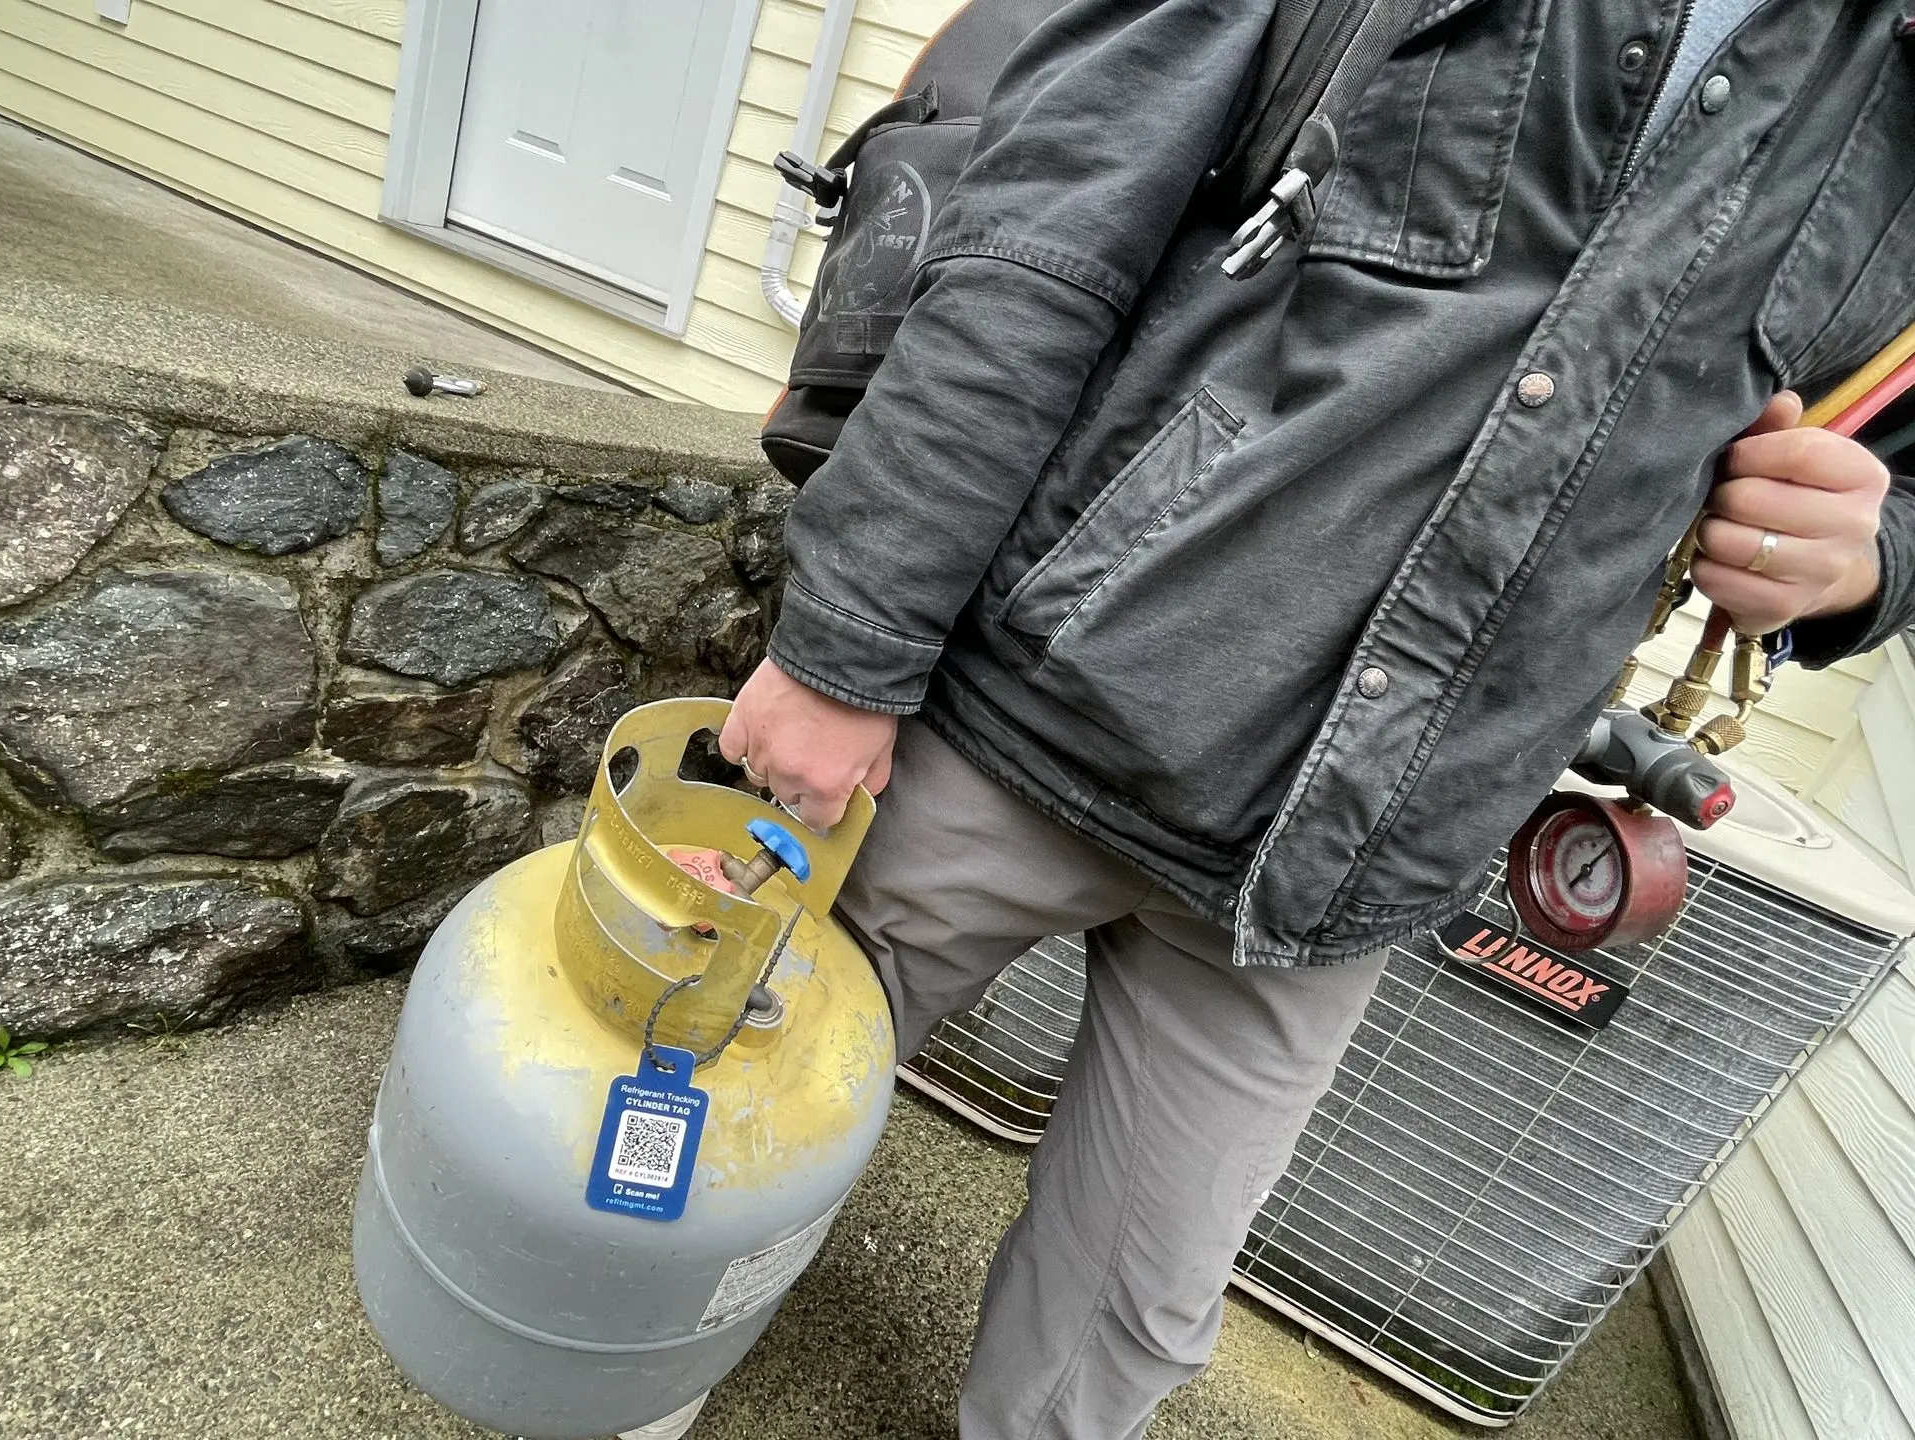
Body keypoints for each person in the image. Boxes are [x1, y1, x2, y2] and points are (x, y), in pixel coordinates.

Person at [720, 1, 1915, 1435]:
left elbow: (1899, 489)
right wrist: (848, 650)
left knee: (1130, 1329)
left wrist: (1863, 559)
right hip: (1026, 719)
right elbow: (1046, 233)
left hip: (1346, 867)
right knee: (711, 1128)